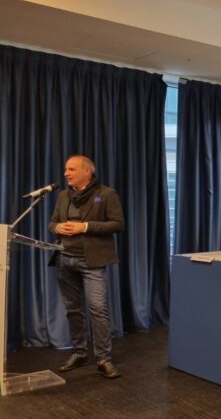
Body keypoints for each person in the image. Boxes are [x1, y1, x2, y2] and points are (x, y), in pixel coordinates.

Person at [48, 155, 124, 379]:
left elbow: (118, 224)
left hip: (92, 262)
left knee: (98, 309)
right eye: (66, 169)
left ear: (87, 172)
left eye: (71, 169)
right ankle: (79, 353)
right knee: (73, 310)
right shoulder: (63, 196)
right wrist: (58, 228)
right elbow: (52, 223)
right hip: (65, 259)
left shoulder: (106, 194)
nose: (66, 173)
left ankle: (103, 359)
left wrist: (85, 227)